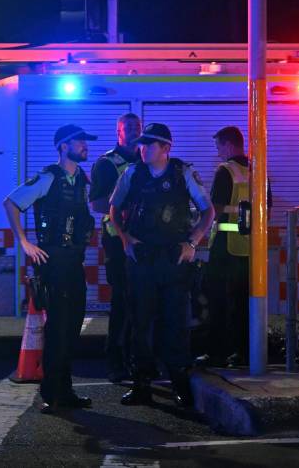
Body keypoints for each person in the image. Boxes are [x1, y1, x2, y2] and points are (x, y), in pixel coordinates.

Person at [109, 123, 214, 407]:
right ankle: (141, 384)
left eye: (149, 144)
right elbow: (114, 208)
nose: (142, 148)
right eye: (141, 144)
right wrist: (125, 238)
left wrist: (192, 243)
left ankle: (180, 382)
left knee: (176, 323)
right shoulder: (133, 172)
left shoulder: (183, 173)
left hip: (173, 259)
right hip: (142, 260)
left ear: (166, 148)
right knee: (140, 322)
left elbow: (208, 211)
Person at [3, 124, 97, 414]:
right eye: (79, 142)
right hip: (53, 261)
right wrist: (24, 242)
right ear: (63, 146)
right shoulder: (47, 178)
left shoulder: (82, 178)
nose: (85, 145)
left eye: (85, 141)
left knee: (71, 328)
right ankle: (52, 394)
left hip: (73, 261)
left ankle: (65, 391)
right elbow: (11, 203)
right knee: (57, 329)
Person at [89, 113, 142, 383]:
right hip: (117, 242)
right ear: (118, 132)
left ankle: (140, 361)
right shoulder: (107, 164)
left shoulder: (147, 161)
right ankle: (116, 362)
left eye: (137, 127)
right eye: (128, 127)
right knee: (121, 302)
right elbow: (97, 205)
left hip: (145, 243)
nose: (133, 131)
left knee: (143, 304)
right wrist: (123, 203)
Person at [203, 126, 252, 368]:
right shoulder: (259, 169)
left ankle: (217, 353)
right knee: (244, 303)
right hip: (250, 248)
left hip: (225, 247)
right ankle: (243, 352)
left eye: (219, 147)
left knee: (218, 302)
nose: (218, 152)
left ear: (229, 145)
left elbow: (215, 208)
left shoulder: (225, 171)